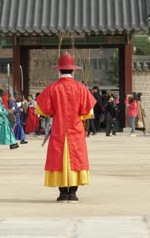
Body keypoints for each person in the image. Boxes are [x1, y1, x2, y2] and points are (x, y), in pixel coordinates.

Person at [36, 54, 96, 203]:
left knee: (59, 159)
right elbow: (88, 112)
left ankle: (63, 194)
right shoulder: (82, 89)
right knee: (76, 159)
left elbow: (42, 109)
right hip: (76, 130)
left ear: (59, 71)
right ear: (73, 71)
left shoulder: (52, 88)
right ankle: (73, 193)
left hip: (59, 129)